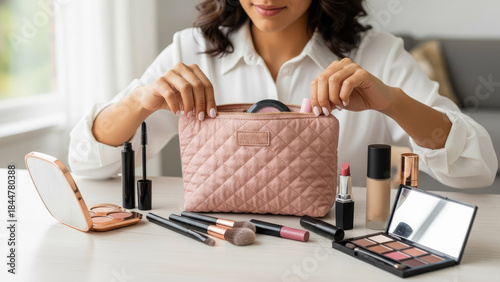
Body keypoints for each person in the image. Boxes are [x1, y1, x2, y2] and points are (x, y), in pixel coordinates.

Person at [68, 0, 497, 188]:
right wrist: (136, 102)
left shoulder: (378, 53)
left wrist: (394, 103)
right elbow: (87, 165)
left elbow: (478, 168)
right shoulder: (190, 49)